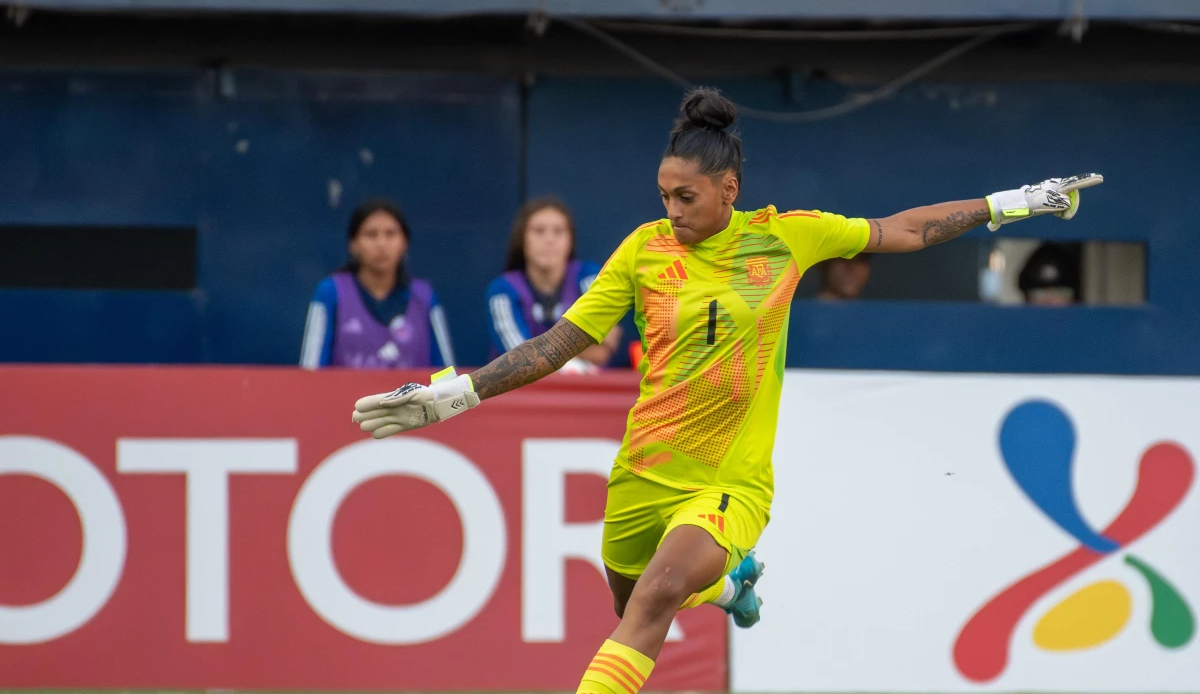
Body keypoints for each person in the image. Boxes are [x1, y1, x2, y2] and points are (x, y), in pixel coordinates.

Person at [351, 89, 1102, 694]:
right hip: (644, 471)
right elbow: (557, 344)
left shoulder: (787, 237)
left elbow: (901, 230)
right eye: (664, 196)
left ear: (728, 190)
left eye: (686, 197)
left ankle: (720, 572)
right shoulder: (642, 251)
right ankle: (731, 585)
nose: (672, 212)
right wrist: (456, 394)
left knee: (655, 596)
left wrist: (1014, 203)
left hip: (729, 483)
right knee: (633, 602)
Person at [300, 199, 455, 369]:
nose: (382, 244)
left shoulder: (424, 297)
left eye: (390, 234)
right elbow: (310, 370)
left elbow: (448, 375)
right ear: (353, 244)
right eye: (371, 235)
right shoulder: (330, 292)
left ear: (405, 242)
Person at [487, 196, 622, 371]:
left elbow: (604, 348)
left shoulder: (589, 277)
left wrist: (539, 347)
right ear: (522, 239)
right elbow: (520, 360)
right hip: (526, 388)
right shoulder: (502, 290)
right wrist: (580, 348)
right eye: (539, 231)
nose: (549, 239)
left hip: (587, 386)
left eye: (558, 231)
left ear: (570, 240)